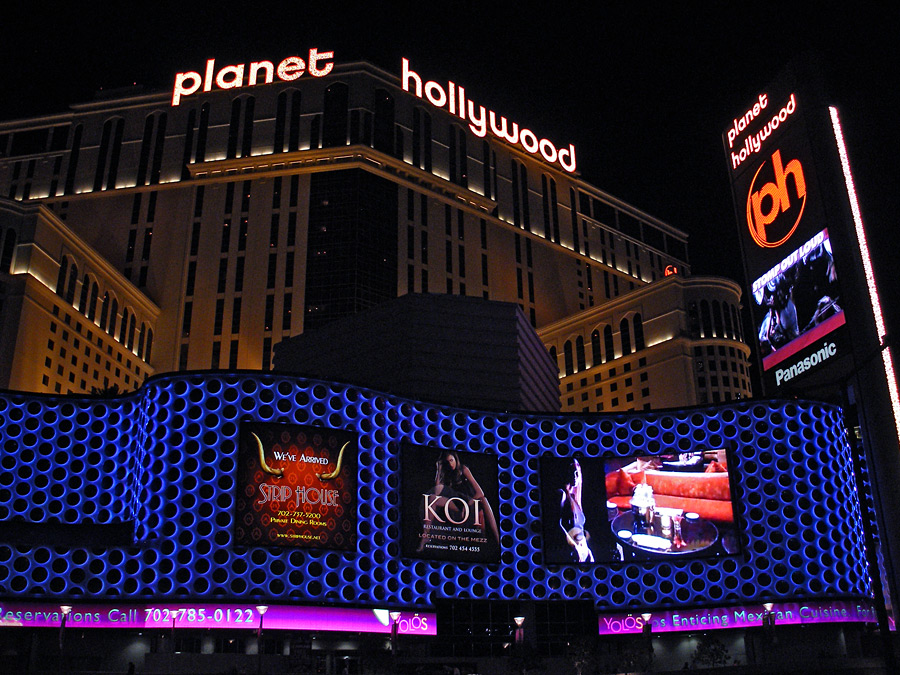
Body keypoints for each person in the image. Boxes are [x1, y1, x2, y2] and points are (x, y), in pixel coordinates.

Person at [419, 449, 500, 550]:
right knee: (432, 498)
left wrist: (466, 506)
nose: (450, 464)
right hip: (456, 504)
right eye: (447, 462)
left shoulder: (463, 469)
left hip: (470, 502)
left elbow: (480, 493)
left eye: (451, 460)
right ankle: (426, 536)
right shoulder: (446, 473)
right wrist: (439, 470)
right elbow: (436, 492)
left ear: (456, 459)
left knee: (484, 499)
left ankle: (498, 540)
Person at [559, 459, 594, 562]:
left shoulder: (575, 497)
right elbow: (556, 525)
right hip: (572, 554)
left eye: (576, 473)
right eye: (571, 472)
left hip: (583, 552)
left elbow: (580, 528)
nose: (574, 476)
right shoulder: (561, 495)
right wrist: (574, 547)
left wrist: (587, 550)